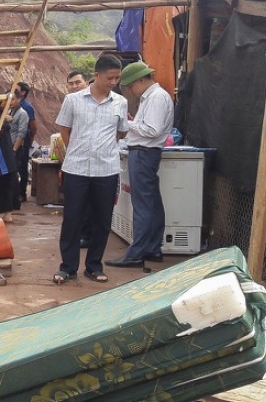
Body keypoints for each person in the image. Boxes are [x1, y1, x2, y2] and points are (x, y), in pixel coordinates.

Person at [52, 55, 128, 285]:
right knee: (72, 219)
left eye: (117, 78)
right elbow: (64, 129)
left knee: (102, 221)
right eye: (110, 77)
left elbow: (121, 132)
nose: (113, 82)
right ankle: (68, 267)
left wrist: (104, 148)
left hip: (106, 170)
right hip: (76, 168)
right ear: (96, 75)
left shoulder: (120, 102)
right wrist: (76, 149)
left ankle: (94, 266)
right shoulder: (73, 100)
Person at [106, 61, 174, 268]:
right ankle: (152, 247)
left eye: (130, 86)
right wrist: (134, 122)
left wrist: (127, 123)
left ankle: (136, 253)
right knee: (151, 202)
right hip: (146, 153)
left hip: (144, 153)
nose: (131, 91)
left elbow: (152, 130)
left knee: (142, 204)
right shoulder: (153, 97)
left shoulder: (156, 98)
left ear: (141, 80)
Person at [65, 70, 94, 248]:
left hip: (96, 160)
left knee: (91, 200)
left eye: (78, 82)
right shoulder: (70, 102)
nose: (74, 86)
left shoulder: (98, 101)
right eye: (71, 84)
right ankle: (82, 234)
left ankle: (89, 235)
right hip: (76, 159)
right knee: (78, 200)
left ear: (87, 82)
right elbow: (64, 129)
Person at [13, 82, 37, 201]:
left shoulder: (26, 107)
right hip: (14, 139)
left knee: (22, 166)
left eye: (16, 89)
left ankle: (22, 193)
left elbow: (33, 126)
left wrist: (30, 140)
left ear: (22, 93)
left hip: (23, 139)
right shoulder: (12, 105)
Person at [7, 92, 29, 210]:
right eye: (9, 99)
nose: (10, 102)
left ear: (19, 99)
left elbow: (22, 133)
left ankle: (15, 201)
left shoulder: (22, 114)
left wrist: (15, 149)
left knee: (13, 175)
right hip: (7, 147)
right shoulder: (8, 112)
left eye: (13, 99)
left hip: (15, 147)